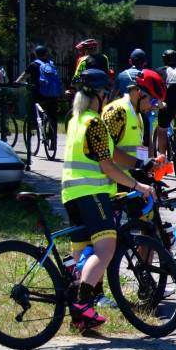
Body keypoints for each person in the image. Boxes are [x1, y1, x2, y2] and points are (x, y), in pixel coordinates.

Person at [61, 69, 155, 327]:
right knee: (106, 249)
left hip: (71, 194)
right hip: (92, 194)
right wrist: (139, 185)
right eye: (106, 93)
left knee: (82, 254)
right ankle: (82, 304)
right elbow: (108, 166)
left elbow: (110, 156)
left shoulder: (75, 121)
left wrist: (140, 163)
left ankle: (78, 317)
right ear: (100, 95)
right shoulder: (94, 123)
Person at [15, 45, 62, 133]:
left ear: (36, 55)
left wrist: (17, 82)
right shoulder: (51, 65)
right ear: (46, 55)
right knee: (52, 116)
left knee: (31, 104)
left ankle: (33, 122)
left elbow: (24, 76)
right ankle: (53, 140)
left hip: (39, 94)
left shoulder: (34, 64)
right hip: (53, 94)